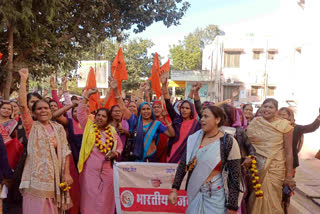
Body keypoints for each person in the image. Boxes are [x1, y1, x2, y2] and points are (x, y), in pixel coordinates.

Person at [168, 105, 242, 214]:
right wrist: (174, 189)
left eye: (206, 116)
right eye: (202, 116)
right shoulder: (194, 139)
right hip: (196, 192)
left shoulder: (228, 142)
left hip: (217, 196)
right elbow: (183, 165)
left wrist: (232, 207)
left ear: (217, 120)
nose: (202, 119)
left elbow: (235, 176)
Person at [18, 68, 73, 214]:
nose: (43, 110)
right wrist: (23, 79)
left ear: (50, 110)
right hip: (35, 179)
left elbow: (65, 152)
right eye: (39, 109)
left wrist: (66, 174)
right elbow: (23, 106)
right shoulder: (32, 126)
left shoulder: (58, 128)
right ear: (34, 113)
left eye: (46, 108)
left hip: (55, 178)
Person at [77, 87, 123, 214]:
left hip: (107, 171)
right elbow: (81, 112)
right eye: (98, 115)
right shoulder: (89, 127)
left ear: (108, 119)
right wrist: (87, 96)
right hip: (90, 171)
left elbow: (120, 146)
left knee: (106, 199)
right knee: (89, 199)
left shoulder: (112, 132)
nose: (100, 118)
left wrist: (116, 153)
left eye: (104, 116)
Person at [246, 98, 295, 214]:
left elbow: (289, 152)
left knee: (273, 199)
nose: (267, 109)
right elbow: (247, 145)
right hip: (256, 166)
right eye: (265, 106)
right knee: (254, 197)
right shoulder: (255, 122)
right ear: (261, 108)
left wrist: (289, 176)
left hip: (275, 168)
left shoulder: (284, 126)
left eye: (270, 107)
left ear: (276, 110)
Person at [109, 76, 175, 162]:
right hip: (136, 159)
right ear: (140, 112)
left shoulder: (156, 124)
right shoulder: (134, 121)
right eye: (143, 109)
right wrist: (115, 90)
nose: (146, 111)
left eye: (148, 109)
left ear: (151, 111)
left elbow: (171, 134)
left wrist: (166, 119)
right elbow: (123, 108)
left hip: (151, 158)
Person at [161, 77, 200, 163]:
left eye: (187, 108)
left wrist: (195, 93)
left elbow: (200, 109)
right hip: (172, 154)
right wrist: (164, 86)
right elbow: (168, 103)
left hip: (187, 157)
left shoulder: (196, 124)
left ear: (192, 110)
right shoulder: (177, 119)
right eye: (182, 108)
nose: (184, 110)